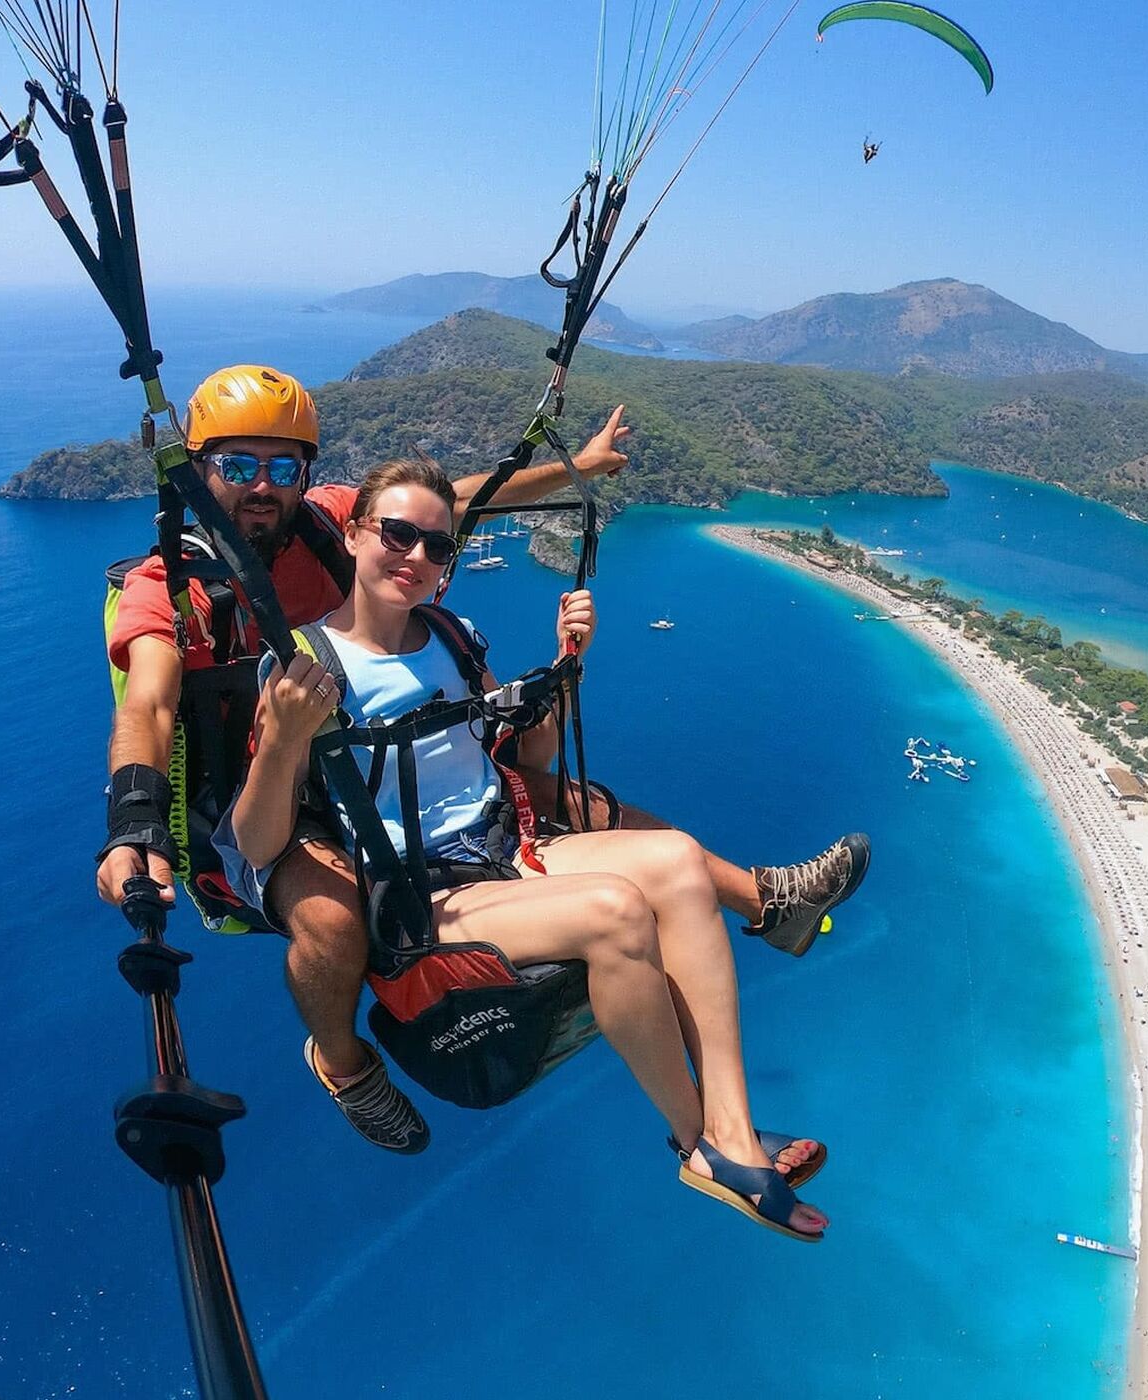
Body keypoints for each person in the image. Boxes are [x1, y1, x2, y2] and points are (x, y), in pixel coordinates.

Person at [101, 364, 870, 1155]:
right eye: (239, 466)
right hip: (274, 785)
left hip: (379, 756)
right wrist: (134, 826)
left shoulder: (335, 526)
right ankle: (344, 1063)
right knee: (332, 922)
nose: (263, 487)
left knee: (572, 798)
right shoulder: (170, 585)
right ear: (200, 468)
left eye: (282, 467)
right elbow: (149, 705)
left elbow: (453, 500)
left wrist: (589, 467)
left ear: (308, 474)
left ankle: (768, 906)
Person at [217, 457, 832, 1240]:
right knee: (615, 912)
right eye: (398, 535)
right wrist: (282, 745)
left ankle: (738, 1130)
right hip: (419, 897)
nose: (417, 559)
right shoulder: (307, 668)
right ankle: (699, 1144)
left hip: (505, 850)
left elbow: (528, 763)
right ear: (353, 533)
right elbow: (258, 843)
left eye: (438, 548)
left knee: (676, 860)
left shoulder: (452, 635)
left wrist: (566, 667)